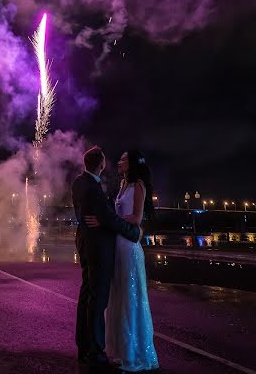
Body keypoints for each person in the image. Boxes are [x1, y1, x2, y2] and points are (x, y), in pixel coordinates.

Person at [88, 150, 159, 372]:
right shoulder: (122, 185)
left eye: (123, 159)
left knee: (130, 297)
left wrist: (108, 221)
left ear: (133, 164)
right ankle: (118, 350)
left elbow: (137, 218)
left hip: (128, 246)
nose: (118, 162)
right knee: (117, 296)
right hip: (116, 244)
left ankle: (133, 353)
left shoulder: (138, 185)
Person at [72, 146, 142, 370]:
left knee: (86, 296)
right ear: (101, 165)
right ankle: (96, 352)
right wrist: (134, 233)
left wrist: (103, 219)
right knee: (98, 300)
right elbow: (110, 219)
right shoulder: (94, 188)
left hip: (85, 244)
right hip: (99, 250)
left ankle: (83, 347)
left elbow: (104, 216)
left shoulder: (78, 183)